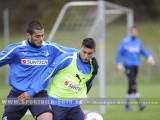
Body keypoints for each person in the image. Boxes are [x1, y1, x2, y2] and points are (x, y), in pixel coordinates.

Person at [0, 20, 79, 120]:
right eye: (37, 36)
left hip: (38, 93)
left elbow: (73, 52)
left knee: (47, 118)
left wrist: (90, 57)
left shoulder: (51, 48)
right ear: (29, 35)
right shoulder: (16, 49)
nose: (41, 39)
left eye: (42, 35)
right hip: (18, 94)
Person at [24, 38, 98, 120]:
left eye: (89, 53)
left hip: (74, 106)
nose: (86, 56)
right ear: (80, 48)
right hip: (56, 104)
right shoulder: (67, 58)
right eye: (84, 52)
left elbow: (87, 85)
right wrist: (32, 91)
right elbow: (48, 74)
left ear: (94, 52)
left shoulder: (93, 66)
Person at [116, 26, 155, 111]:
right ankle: (139, 103)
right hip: (128, 65)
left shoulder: (138, 42)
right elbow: (120, 52)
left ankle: (126, 106)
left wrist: (149, 56)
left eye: (135, 31)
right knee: (133, 82)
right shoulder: (125, 42)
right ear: (130, 32)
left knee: (131, 85)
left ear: (137, 32)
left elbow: (143, 51)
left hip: (136, 65)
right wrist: (119, 63)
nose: (134, 33)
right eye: (133, 31)